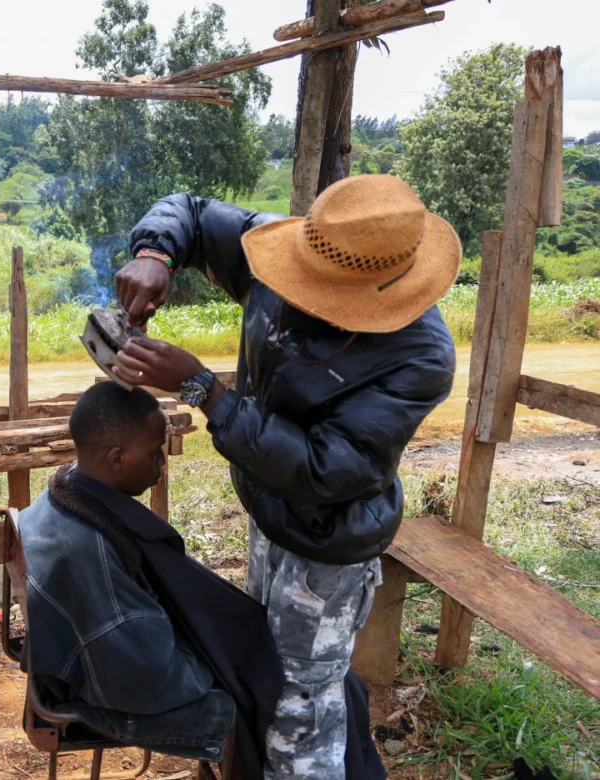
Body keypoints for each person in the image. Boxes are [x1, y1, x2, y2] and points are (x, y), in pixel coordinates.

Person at [111, 174, 457, 778]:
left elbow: (326, 469)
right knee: (268, 667)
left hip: (329, 539)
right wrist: (156, 253)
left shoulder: (419, 357)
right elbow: (189, 210)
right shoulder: (296, 250)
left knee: (302, 708)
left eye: (321, 298)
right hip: (270, 511)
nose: (294, 298)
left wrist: (205, 391)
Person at [19, 381, 283, 773]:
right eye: (155, 452)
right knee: (266, 705)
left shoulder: (64, 491)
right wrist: (212, 665)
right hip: (105, 692)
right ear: (117, 458)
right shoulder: (90, 556)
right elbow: (144, 682)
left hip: (80, 658)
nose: (162, 462)